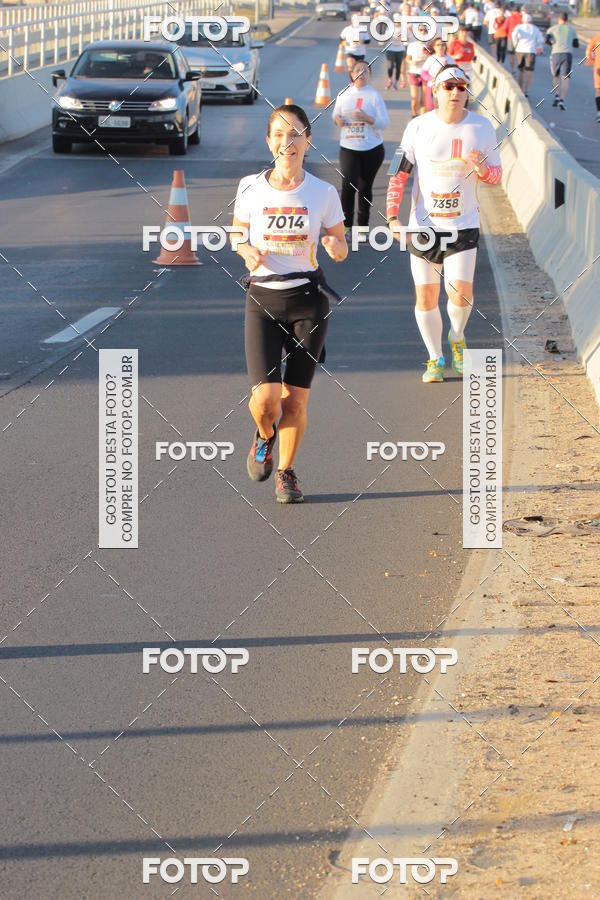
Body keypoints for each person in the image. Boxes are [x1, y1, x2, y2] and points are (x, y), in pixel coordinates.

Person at [232, 105, 347, 502]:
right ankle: (264, 436)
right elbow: (237, 234)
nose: (288, 142)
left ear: (308, 141)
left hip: (308, 303)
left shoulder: (323, 192)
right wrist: (246, 251)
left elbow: (341, 242)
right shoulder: (250, 187)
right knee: (265, 400)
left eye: (296, 134)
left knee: (295, 399)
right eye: (280, 135)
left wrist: (335, 246)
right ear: (269, 142)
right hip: (263, 299)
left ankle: (286, 472)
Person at [385, 65, 502, 383]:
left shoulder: (481, 127)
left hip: (463, 224)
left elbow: (496, 176)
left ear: (467, 92)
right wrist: (393, 217)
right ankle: (435, 358)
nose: (455, 92)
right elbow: (398, 173)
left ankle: (458, 337)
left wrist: (481, 170)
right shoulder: (418, 127)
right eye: (448, 86)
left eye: (461, 87)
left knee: (460, 295)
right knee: (425, 297)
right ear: (435, 91)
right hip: (423, 227)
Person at [332, 61, 389, 233]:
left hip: (372, 149)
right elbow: (336, 114)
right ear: (351, 73)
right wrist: (338, 120)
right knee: (348, 185)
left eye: (365, 70)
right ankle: (346, 226)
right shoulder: (344, 94)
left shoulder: (374, 96)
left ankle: (363, 228)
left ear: (370, 75)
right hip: (349, 147)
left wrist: (367, 118)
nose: (361, 73)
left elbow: (384, 122)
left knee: (365, 188)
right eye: (358, 70)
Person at [546, 12, 579, 110]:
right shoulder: (572, 30)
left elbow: (547, 40)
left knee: (555, 76)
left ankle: (556, 95)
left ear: (558, 19)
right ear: (567, 19)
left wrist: (554, 43)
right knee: (566, 78)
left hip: (556, 53)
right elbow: (576, 44)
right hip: (567, 54)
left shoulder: (552, 29)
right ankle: (562, 100)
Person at [511, 11, 544, 96]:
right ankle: (527, 90)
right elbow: (541, 40)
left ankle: (520, 89)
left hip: (520, 50)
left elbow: (514, 34)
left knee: (521, 70)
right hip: (531, 50)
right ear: (531, 21)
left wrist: (515, 43)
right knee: (529, 70)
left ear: (522, 20)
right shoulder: (535, 28)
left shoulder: (519, 27)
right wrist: (536, 45)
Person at [421, 38, 455, 109]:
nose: (441, 47)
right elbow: (423, 73)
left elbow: (455, 73)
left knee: (444, 107)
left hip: (446, 87)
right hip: (432, 86)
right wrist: (431, 78)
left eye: (443, 45)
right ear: (434, 47)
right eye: (438, 45)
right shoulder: (431, 59)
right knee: (431, 108)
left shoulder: (450, 59)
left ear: (445, 46)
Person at [406, 22, 430, 115]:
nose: (423, 32)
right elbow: (407, 59)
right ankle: (414, 114)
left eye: (425, 30)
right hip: (414, 73)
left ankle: (422, 119)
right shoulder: (412, 45)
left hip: (426, 74)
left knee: (424, 100)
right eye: (420, 30)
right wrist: (412, 62)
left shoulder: (429, 46)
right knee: (415, 98)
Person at [341, 14, 368, 78]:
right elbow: (341, 38)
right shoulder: (347, 29)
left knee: (358, 69)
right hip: (350, 50)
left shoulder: (363, 29)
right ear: (352, 20)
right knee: (350, 66)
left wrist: (362, 41)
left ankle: (356, 81)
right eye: (354, 20)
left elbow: (368, 40)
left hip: (360, 52)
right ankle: (352, 82)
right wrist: (343, 42)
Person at [386, 15, 407, 89]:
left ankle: (395, 82)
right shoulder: (390, 28)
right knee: (390, 66)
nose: (397, 23)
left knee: (398, 67)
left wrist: (401, 38)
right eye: (396, 21)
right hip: (390, 49)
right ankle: (390, 79)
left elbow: (406, 39)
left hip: (400, 49)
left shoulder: (404, 29)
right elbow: (386, 38)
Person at [585, 29, 600, 122]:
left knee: (598, 90)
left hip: (598, 66)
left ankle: (599, 113)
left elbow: (589, 49)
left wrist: (591, 59)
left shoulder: (597, 36)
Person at [504, 3, 522, 75]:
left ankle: (513, 70)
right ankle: (520, 69)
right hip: (520, 39)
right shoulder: (522, 17)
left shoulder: (509, 17)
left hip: (511, 37)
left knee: (511, 55)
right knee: (519, 55)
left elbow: (505, 28)